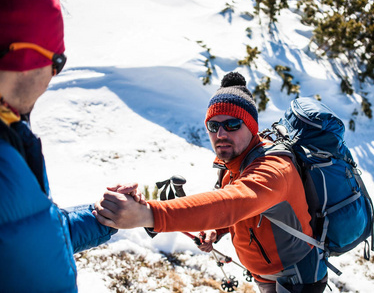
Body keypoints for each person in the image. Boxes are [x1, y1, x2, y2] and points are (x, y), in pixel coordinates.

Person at [94, 72, 328, 292]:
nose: (221, 134)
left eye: (232, 124)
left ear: (252, 126)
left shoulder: (273, 169)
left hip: (296, 278)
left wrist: (148, 214)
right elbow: (241, 210)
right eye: (213, 126)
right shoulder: (236, 163)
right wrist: (215, 230)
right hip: (265, 274)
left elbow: (231, 203)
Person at [0, 0, 136, 291]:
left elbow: (34, 235)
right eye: (57, 60)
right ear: (23, 55)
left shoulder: (12, 136)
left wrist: (102, 217)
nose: (52, 77)